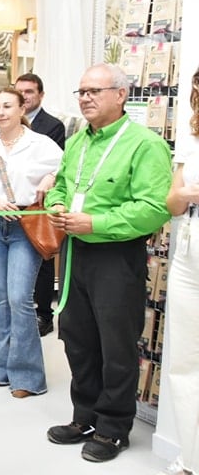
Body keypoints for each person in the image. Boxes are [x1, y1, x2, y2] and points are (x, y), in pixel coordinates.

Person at [45, 63, 171, 463]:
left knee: (116, 343)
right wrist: (57, 205)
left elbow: (154, 208)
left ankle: (114, 429)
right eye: (81, 91)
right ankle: (85, 416)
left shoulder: (145, 144)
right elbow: (60, 185)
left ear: (121, 95)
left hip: (117, 255)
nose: (85, 98)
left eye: (94, 91)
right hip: (76, 251)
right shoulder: (77, 142)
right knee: (77, 337)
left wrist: (95, 222)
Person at [0, 87, 61, 398]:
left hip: (25, 223)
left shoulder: (41, 144)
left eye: (7, 106)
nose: (1, 112)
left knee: (19, 297)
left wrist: (51, 178)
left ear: (22, 109)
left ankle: (28, 377)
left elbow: (66, 169)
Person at [162, 64, 199, 475]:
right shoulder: (191, 138)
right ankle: (191, 457)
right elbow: (172, 203)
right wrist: (186, 194)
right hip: (189, 249)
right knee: (184, 361)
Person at [16, 73, 66, 337]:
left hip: (39, 202)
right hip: (13, 205)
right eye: (20, 91)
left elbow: (54, 165)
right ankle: (21, 310)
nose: (24, 96)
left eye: (29, 91)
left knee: (43, 257)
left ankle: (44, 314)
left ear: (41, 95)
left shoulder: (52, 125)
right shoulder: (10, 121)